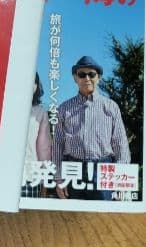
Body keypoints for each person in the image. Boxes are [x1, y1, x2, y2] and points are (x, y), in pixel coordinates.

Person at [53, 56, 130, 200]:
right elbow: (58, 145)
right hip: (72, 169)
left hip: (103, 169)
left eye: (91, 74)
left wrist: (120, 179)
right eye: (82, 74)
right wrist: (58, 178)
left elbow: (120, 144)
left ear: (98, 77)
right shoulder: (63, 108)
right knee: (72, 213)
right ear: (75, 78)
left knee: (103, 213)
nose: (87, 78)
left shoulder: (111, 107)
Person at [21, 73, 51, 198]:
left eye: (33, 82)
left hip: (30, 176)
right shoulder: (3, 106)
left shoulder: (40, 112)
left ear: (37, 86)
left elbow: (44, 150)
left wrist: (44, 180)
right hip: (2, 177)